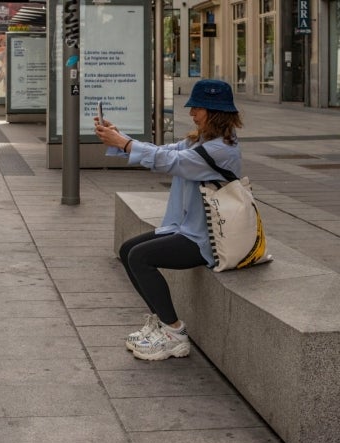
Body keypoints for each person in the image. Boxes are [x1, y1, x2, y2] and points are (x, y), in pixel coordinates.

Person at [94, 79, 243, 361]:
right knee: (128, 251)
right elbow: (164, 152)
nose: (192, 113)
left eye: (197, 108)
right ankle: (162, 324)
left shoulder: (220, 151)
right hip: (185, 229)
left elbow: (169, 162)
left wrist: (123, 144)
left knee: (140, 257)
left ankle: (174, 333)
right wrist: (119, 137)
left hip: (206, 239)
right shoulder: (200, 142)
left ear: (214, 111)